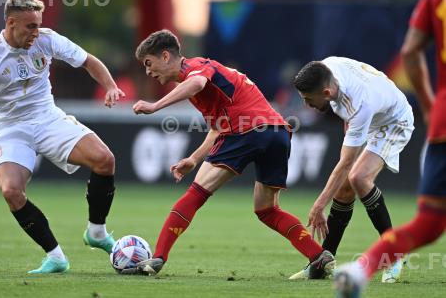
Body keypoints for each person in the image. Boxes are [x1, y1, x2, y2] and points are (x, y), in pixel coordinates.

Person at [125, 29, 335, 277]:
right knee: (267, 210)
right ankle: (319, 257)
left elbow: (197, 83)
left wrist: (155, 106)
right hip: (276, 132)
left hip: (247, 129)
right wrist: (194, 158)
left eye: (149, 64)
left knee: (195, 195)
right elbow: (217, 129)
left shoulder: (196, 67)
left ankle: (157, 258)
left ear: (165, 56)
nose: (148, 72)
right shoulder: (200, 79)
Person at [0, 0, 125, 274]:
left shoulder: (48, 39)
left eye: (38, 24)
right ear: (10, 23)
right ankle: (56, 257)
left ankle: (96, 232)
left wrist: (109, 85)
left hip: (48, 119)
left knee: (105, 159)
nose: (36, 32)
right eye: (30, 26)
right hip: (12, 128)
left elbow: (88, 61)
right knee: (11, 191)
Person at [333, 0, 446, 297]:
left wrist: (429, 104)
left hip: (441, 122)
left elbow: (410, 51)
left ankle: (360, 269)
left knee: (429, 223)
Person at [290, 56, 414, 282]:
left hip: (394, 121)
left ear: (326, 93)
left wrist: (319, 206)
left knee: (358, 177)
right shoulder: (325, 69)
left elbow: (346, 163)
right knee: (344, 188)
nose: (307, 105)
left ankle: (394, 254)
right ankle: (321, 263)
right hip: (373, 111)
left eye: (308, 100)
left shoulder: (358, 103)